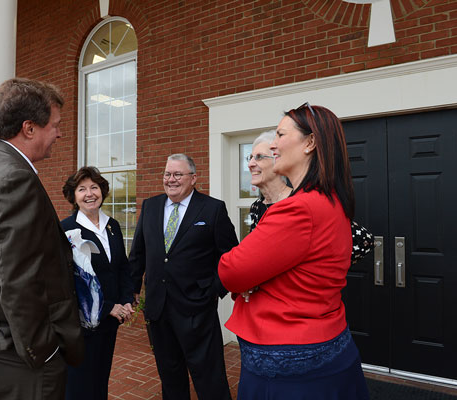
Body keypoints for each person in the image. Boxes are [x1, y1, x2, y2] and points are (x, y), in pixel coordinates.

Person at [0, 78, 85, 400]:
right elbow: (21, 281)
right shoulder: (14, 179)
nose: (60, 134)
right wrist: (44, 352)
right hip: (17, 362)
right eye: (55, 125)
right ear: (29, 128)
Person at [218, 103, 370, 399]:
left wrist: (254, 278)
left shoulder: (298, 209)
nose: (272, 144)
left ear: (310, 143)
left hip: (290, 364)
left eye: (280, 134)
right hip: (327, 345)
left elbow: (230, 270)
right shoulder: (330, 201)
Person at [129, 154, 238, 400]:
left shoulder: (212, 209)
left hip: (196, 309)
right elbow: (138, 252)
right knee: (170, 376)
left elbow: (230, 256)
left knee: (210, 378)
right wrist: (132, 288)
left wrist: (212, 290)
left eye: (178, 174)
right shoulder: (151, 206)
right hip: (158, 309)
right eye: (167, 174)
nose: (171, 180)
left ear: (193, 178)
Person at [60, 166, 135, 400]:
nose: (89, 193)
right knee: (80, 384)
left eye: (94, 187)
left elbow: (122, 266)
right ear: (73, 196)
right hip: (82, 325)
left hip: (110, 321)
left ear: (102, 191)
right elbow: (69, 282)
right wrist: (108, 306)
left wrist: (125, 300)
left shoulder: (112, 226)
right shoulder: (66, 230)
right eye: (82, 189)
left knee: (101, 378)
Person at [246, 130, 292, 232]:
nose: (250, 164)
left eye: (259, 157)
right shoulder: (256, 206)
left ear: (279, 161)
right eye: (250, 158)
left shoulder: (295, 200)